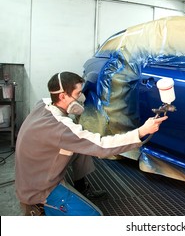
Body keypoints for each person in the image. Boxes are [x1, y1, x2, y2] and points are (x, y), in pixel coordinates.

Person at [15, 71, 167, 216]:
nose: (82, 98)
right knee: (95, 218)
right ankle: (40, 208)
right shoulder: (59, 128)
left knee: (81, 146)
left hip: (32, 173)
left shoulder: (43, 105)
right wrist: (141, 131)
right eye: (77, 94)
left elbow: (77, 135)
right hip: (39, 189)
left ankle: (81, 187)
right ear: (62, 96)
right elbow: (101, 146)